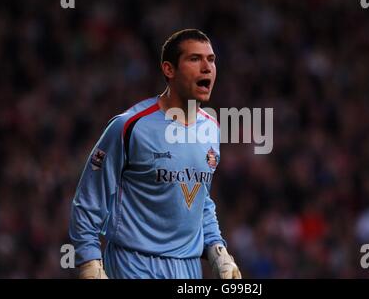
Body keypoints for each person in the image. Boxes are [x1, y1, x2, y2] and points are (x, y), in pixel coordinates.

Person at [69, 29, 242, 279]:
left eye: (211, 60)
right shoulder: (129, 126)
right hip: (133, 264)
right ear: (169, 70)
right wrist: (89, 263)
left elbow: (199, 200)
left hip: (188, 268)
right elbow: (88, 200)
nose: (207, 68)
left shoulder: (211, 130)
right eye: (195, 59)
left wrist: (217, 250)